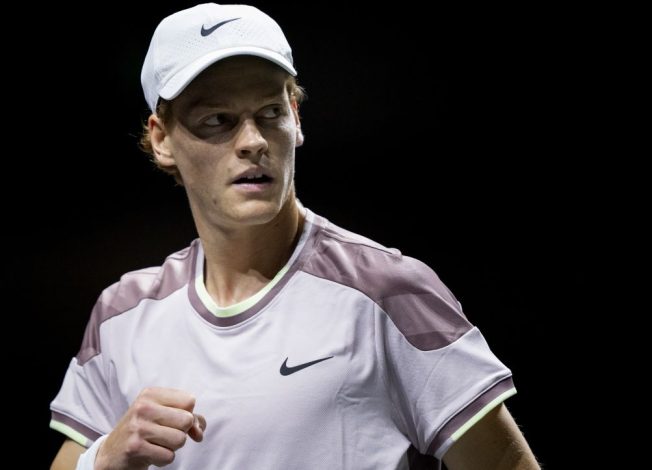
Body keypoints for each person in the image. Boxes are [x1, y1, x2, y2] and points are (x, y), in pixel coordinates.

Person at [49, 3, 540, 469]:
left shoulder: (389, 293)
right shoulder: (121, 316)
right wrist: (104, 458)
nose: (253, 141)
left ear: (296, 119)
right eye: (218, 120)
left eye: (270, 112)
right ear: (161, 139)